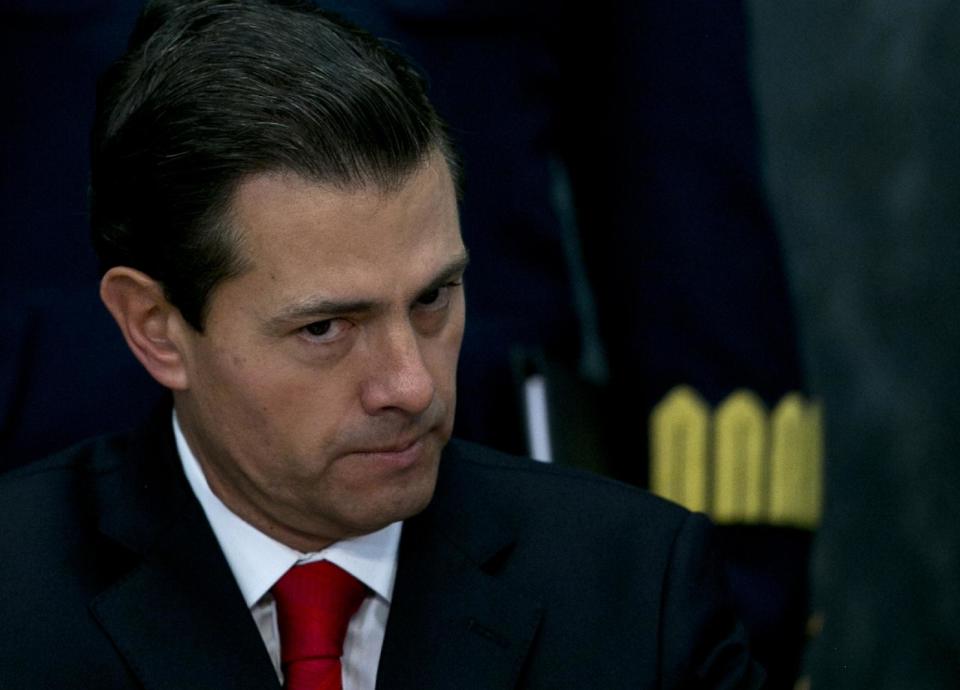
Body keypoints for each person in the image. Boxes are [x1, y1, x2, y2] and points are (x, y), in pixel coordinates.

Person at [0, 1, 764, 687]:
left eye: (434, 299)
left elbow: (685, 194)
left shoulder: (640, 595)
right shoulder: (21, 604)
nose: (414, 386)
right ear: (154, 328)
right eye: (325, 328)